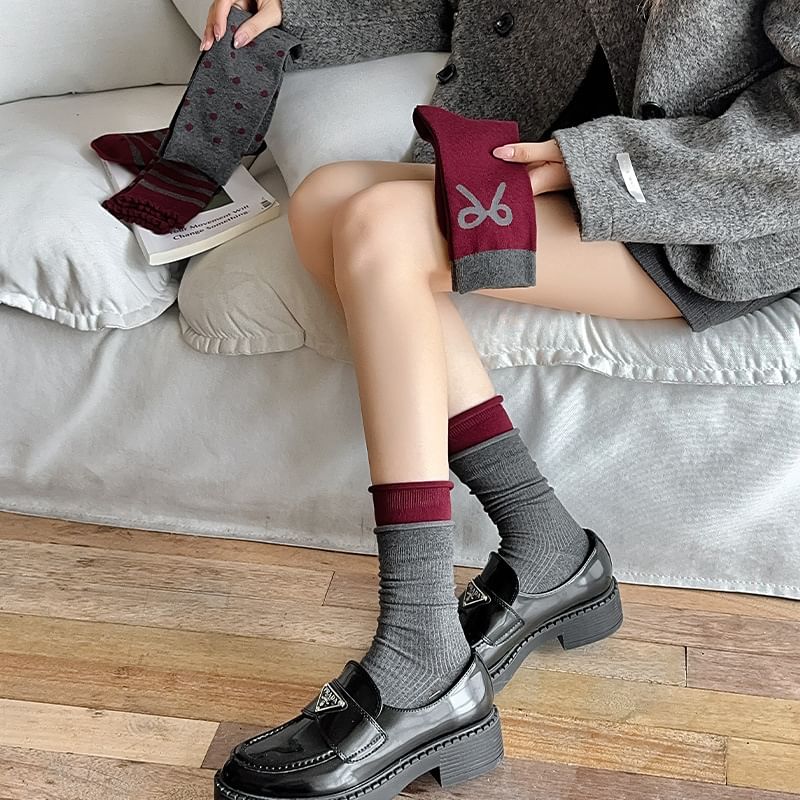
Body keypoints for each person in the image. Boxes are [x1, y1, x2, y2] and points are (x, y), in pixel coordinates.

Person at [208, 2, 800, 800]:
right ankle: (545, 543)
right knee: (324, 204)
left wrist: (603, 164)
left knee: (383, 227)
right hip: (556, 161)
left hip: (706, 202)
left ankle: (423, 660)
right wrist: (296, 12)